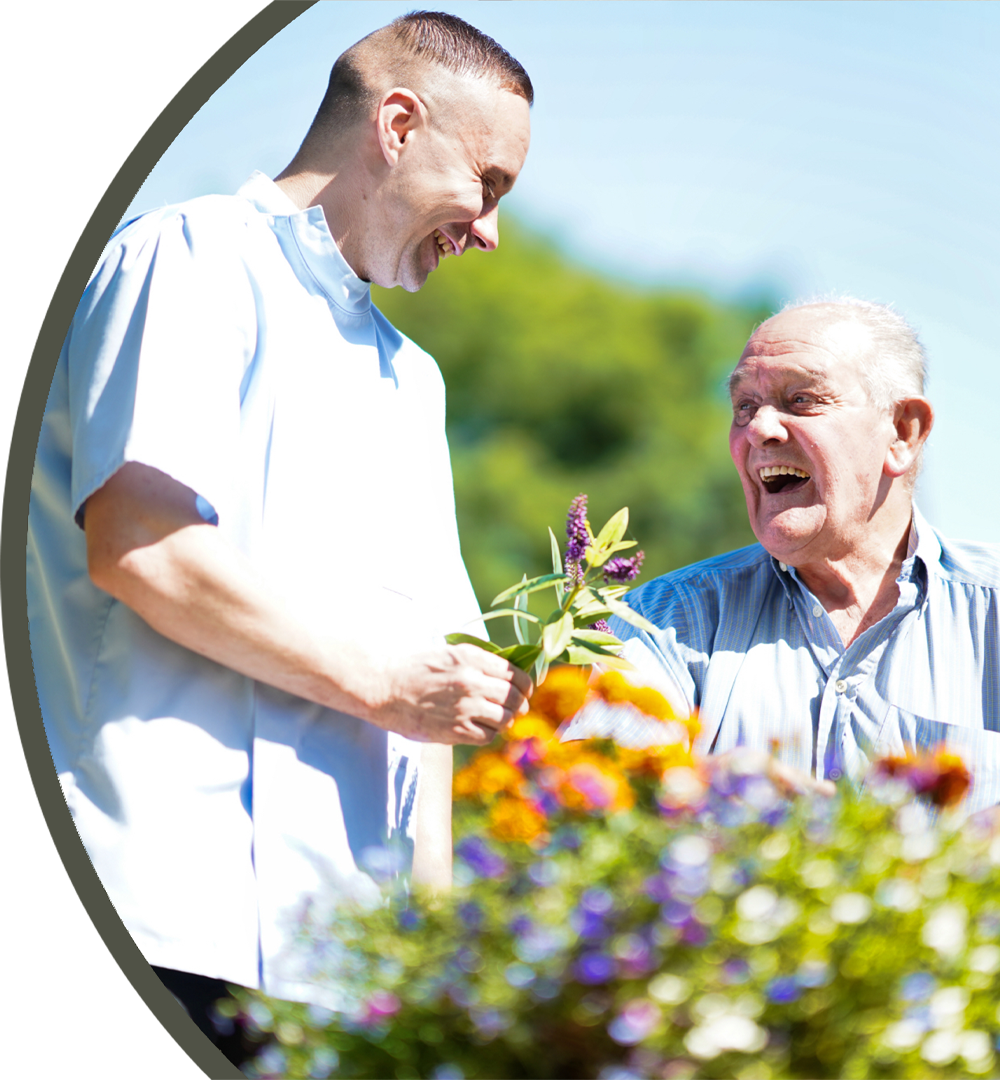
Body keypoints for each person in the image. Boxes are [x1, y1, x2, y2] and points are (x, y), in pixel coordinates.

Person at [26, 10, 533, 1057]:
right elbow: (143, 546)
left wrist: (429, 960)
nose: (488, 230)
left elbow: (430, 700)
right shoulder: (189, 256)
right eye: (488, 183)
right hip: (158, 912)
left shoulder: (412, 378)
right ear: (397, 123)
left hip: (347, 965)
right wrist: (388, 683)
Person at [565, 298, 1000, 813]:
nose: (759, 430)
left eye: (801, 400)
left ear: (902, 433)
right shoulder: (662, 622)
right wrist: (708, 792)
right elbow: (592, 809)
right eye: (744, 407)